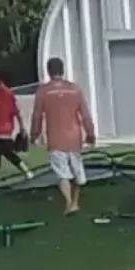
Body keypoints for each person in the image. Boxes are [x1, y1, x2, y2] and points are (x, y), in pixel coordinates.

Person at [29, 57, 95, 215]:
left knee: (62, 174)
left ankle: (68, 202)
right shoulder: (75, 89)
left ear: (48, 71)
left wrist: (34, 134)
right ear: (63, 70)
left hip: (55, 138)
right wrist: (90, 133)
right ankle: (76, 202)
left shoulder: (43, 91)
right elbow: (85, 114)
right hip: (74, 137)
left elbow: (37, 116)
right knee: (77, 172)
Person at [0, 68, 32, 190]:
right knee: (5, 153)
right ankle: (26, 171)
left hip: (5, 128)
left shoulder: (6, 93)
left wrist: (22, 127)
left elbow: (16, 111)